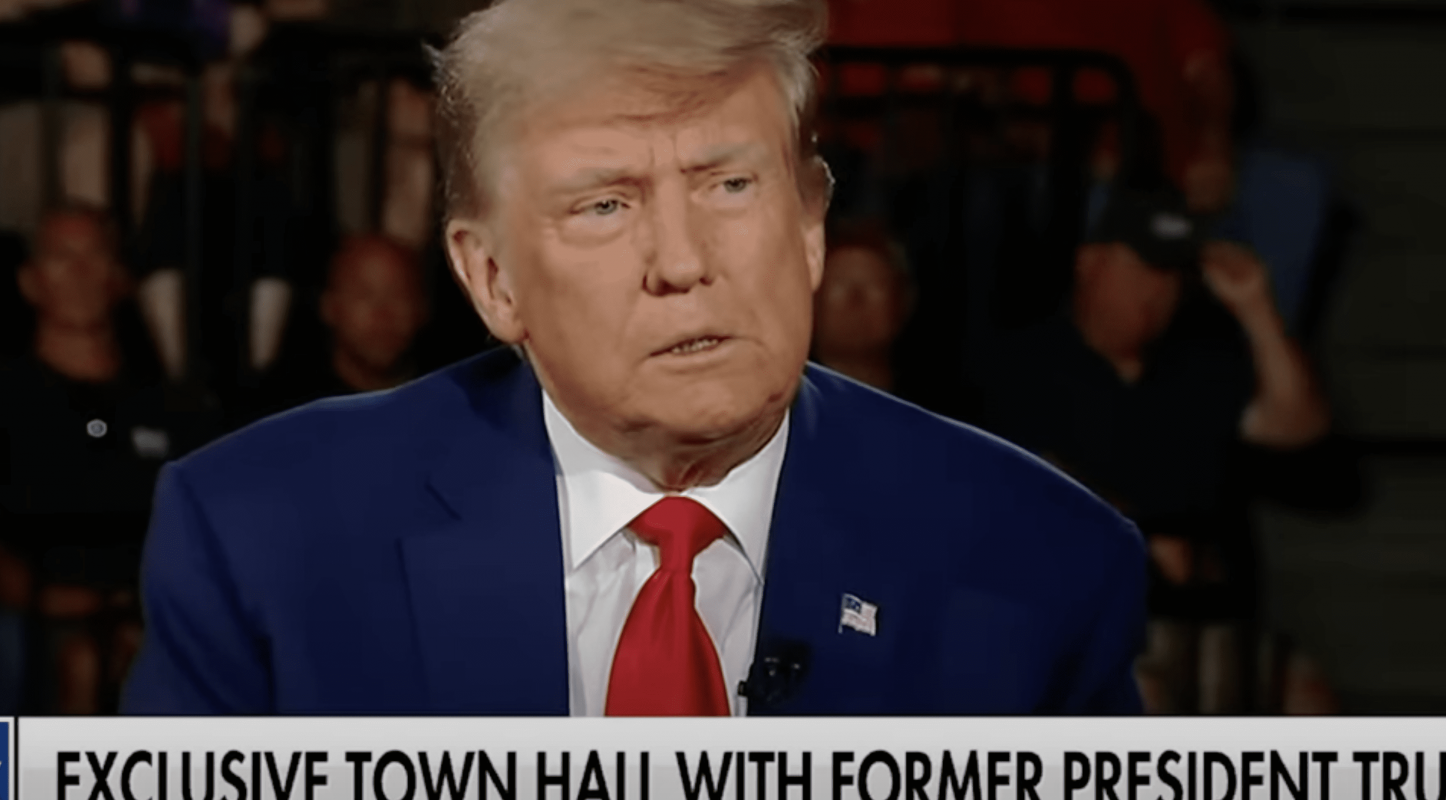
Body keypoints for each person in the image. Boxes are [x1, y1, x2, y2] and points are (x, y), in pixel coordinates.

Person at [122, 0, 1145, 716]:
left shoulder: (1041, 559)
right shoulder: (263, 539)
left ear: (810, 227)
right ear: (492, 279)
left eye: (730, 185)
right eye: (606, 204)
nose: (684, 262)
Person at [993, 185, 1344, 713]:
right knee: (1140, 697)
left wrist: (1256, 309)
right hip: (1079, 626)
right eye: (1141, 270)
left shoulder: (1202, 360)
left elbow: (1298, 429)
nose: (1155, 292)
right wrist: (1140, 541)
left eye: (1170, 275)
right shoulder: (1025, 365)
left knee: (1307, 698)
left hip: (1209, 619)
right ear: (1091, 263)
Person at [0, 203, 217, 713]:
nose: (78, 273)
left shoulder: (170, 406)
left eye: (94, 256)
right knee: (62, 658)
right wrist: (60, 603)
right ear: (31, 282)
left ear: (118, 278)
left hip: (149, 619)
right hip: (37, 618)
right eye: (61, 256)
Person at [240, 233, 429, 424]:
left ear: (422, 307)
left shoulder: (439, 402)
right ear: (329, 305)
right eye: (365, 294)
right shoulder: (283, 411)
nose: (383, 314)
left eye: (399, 294)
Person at [811, 221, 971, 420]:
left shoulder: (942, 411)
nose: (855, 299)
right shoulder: (783, 410)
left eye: (875, 286)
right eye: (839, 285)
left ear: (904, 300)